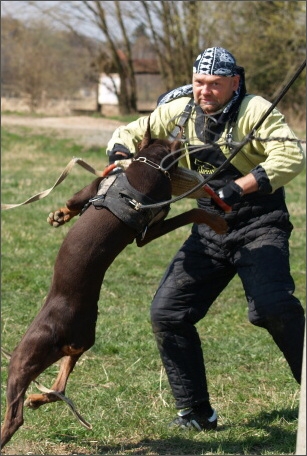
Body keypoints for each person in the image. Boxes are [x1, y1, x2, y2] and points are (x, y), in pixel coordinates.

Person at [106, 47, 305, 431]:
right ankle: (196, 412)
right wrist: (121, 153)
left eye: (216, 84)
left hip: (258, 223)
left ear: (234, 83)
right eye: (199, 82)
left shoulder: (255, 109)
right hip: (209, 226)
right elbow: (132, 131)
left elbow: (291, 156)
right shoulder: (178, 110)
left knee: (272, 308)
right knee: (168, 313)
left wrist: (239, 187)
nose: (205, 91)